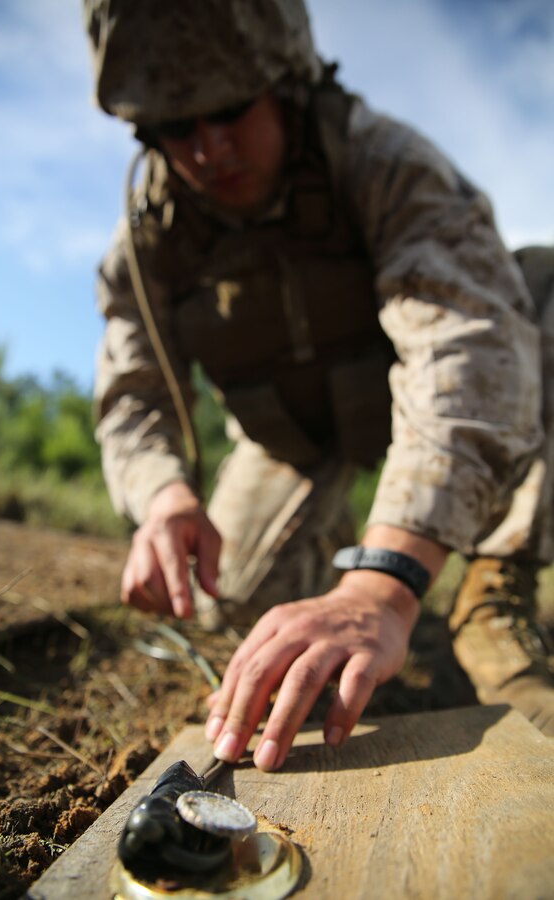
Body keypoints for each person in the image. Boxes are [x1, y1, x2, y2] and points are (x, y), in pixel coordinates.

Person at [83, 0, 554, 769]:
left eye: (230, 110)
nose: (207, 148)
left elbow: (462, 350)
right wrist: (162, 495)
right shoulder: (149, 242)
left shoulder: (384, 163)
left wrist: (386, 586)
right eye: (174, 128)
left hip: (412, 413)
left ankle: (492, 583)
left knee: (542, 288)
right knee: (229, 595)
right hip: (295, 443)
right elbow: (132, 393)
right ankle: (338, 553)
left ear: (286, 83)